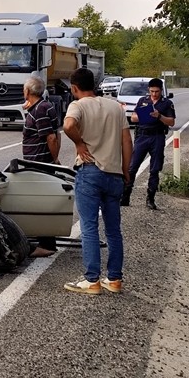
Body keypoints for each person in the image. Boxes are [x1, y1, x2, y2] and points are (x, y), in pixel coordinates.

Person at [62, 66, 132, 295]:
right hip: (114, 174)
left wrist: (80, 144)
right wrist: (125, 171)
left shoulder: (78, 105)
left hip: (90, 172)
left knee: (89, 227)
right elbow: (126, 141)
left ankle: (91, 279)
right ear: (95, 84)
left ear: (74, 88)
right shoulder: (115, 106)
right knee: (113, 230)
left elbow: (68, 126)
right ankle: (114, 279)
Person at [20, 76, 62, 257]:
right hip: (40, 161)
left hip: (40, 163)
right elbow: (56, 133)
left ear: (28, 91)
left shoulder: (40, 110)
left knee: (39, 202)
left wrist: (54, 160)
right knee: (40, 201)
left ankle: (47, 244)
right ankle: (43, 240)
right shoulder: (43, 106)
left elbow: (51, 137)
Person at [122, 77, 176, 210]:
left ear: (161, 91)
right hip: (142, 136)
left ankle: (150, 198)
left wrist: (159, 116)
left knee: (155, 169)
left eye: (157, 91)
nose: (154, 94)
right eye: (152, 91)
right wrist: (143, 115)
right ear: (148, 90)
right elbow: (133, 117)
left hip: (157, 136)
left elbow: (171, 122)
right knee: (132, 167)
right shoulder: (143, 101)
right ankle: (125, 196)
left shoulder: (166, 103)